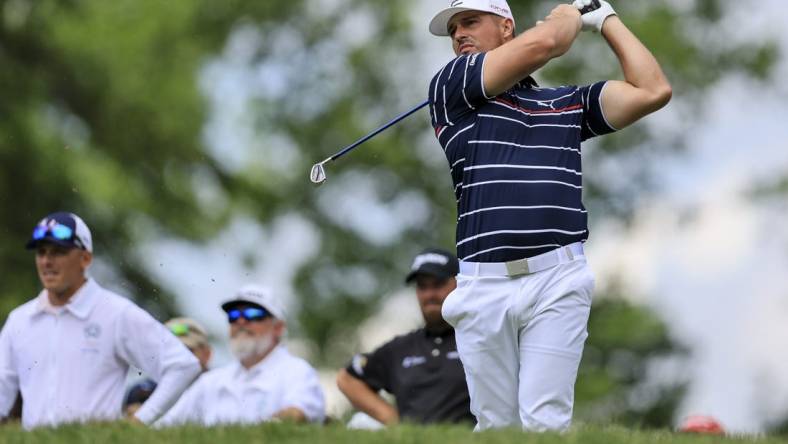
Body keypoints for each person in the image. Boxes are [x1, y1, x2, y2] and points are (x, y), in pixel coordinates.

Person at [426, 0, 671, 431]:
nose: (459, 34)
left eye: (470, 22)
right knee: (496, 426)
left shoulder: (564, 103)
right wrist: (567, 17)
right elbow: (547, 43)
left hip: (557, 279)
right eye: (453, 30)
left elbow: (652, 90)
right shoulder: (454, 86)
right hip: (483, 285)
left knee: (545, 422)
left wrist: (606, 20)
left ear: (505, 27)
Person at [0, 212, 201, 429]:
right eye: (41, 252)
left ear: (85, 259)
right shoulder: (19, 320)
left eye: (59, 252)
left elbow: (182, 365)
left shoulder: (116, 313)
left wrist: (138, 423)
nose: (47, 261)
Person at [336, 248, 474, 426]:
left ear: (459, 284)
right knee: (359, 423)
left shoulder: (479, 340)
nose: (429, 295)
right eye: (422, 286)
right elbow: (346, 379)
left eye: (438, 284)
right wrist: (395, 422)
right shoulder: (401, 348)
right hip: (411, 439)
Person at [157, 284, 325, 426]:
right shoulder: (211, 382)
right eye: (234, 315)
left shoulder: (297, 371)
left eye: (253, 314)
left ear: (278, 328)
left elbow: (298, 413)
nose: (241, 321)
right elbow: (164, 428)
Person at [123, 317, 213, 417]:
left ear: (207, 354)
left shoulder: (220, 389)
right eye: (171, 352)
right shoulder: (142, 393)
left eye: (187, 350)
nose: (179, 358)